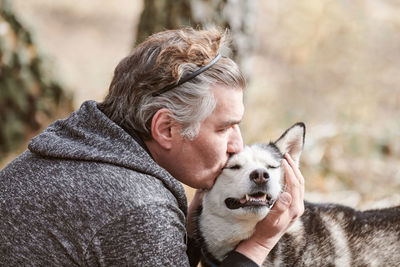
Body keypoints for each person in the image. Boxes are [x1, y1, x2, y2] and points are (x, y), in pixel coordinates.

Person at [0, 27, 304, 266]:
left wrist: (193, 233)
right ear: (166, 128)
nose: (237, 145)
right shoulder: (138, 207)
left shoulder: (68, 147)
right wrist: (261, 242)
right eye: (225, 128)